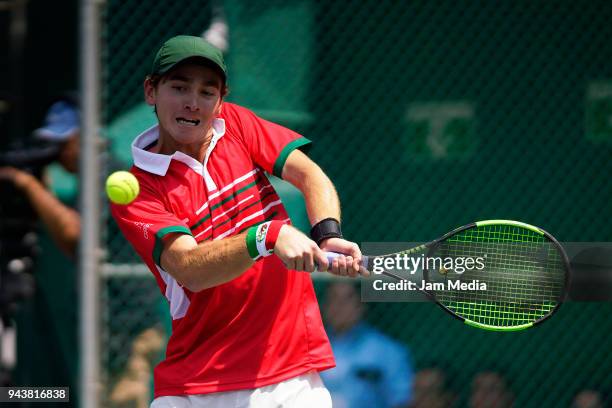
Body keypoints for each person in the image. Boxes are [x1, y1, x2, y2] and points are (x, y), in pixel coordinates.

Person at [110, 35, 368, 407]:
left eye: (206, 92)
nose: (192, 102)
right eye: (179, 87)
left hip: (290, 375)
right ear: (151, 91)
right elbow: (189, 268)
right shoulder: (139, 191)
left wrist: (328, 233)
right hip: (197, 386)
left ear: (220, 101)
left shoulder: (236, 123)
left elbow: (309, 175)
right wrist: (265, 235)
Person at [320, 282, 413, 408]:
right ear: (324, 306)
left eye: (347, 299)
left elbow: (401, 401)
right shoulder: (310, 348)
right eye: (333, 298)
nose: (339, 306)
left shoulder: (387, 351)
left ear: (361, 306)